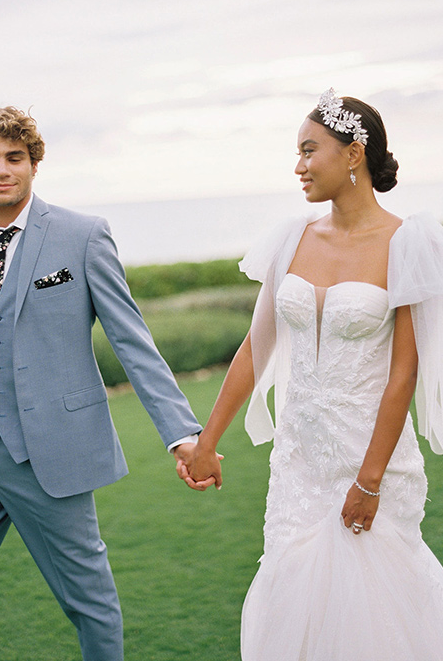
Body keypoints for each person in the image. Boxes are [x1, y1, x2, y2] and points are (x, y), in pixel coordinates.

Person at [177, 89, 443, 660]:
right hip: (299, 462)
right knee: (293, 602)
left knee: (374, 616)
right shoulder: (292, 238)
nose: (298, 166)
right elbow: (256, 345)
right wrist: (207, 440)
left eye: (308, 150)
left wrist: (369, 481)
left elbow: (403, 376)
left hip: (369, 461)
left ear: (354, 154)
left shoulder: (409, 243)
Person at [0, 106, 207, 661]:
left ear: (33, 164)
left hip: (49, 456)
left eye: (14, 158)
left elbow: (132, 342)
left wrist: (182, 433)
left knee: (89, 601)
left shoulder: (82, 236)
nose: (2, 169)